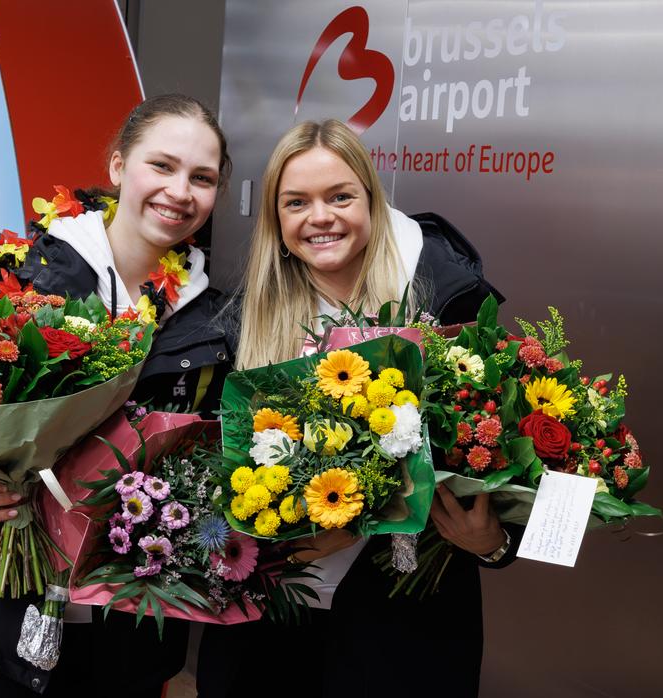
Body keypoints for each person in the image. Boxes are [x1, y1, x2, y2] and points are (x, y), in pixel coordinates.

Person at [0, 94, 235, 697]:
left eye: (202, 177)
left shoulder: (213, 320)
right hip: (9, 599)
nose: (180, 191)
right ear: (118, 167)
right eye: (161, 166)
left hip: (133, 615)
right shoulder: (25, 278)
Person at [196, 119, 517, 698]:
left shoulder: (445, 300)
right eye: (297, 202)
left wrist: (491, 543)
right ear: (277, 220)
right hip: (269, 628)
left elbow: (507, 462)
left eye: (340, 196)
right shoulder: (245, 319)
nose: (320, 217)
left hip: (404, 629)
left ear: (372, 198)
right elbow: (203, 474)